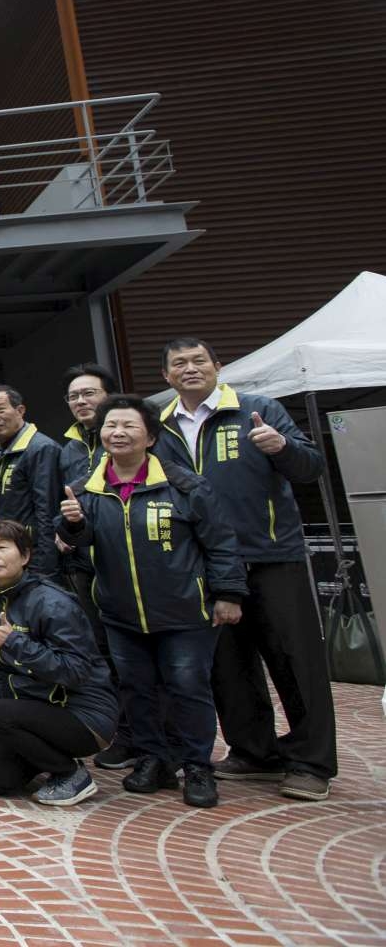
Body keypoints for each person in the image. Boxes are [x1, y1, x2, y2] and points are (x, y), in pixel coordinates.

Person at [154, 336, 334, 801]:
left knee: (294, 661)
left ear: (218, 364)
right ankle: (254, 751)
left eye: (199, 360)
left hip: (272, 557)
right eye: (180, 364)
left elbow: (310, 466)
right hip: (208, 566)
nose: (190, 369)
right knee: (228, 666)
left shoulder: (258, 409)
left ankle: (311, 762)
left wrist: (280, 447)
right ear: (167, 376)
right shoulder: (162, 427)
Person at [57, 394, 246, 808]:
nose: (118, 433)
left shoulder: (184, 485)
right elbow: (79, 542)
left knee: (187, 688)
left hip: (185, 612)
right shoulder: (90, 488)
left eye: (128, 426)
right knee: (137, 690)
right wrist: (70, 526)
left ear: (151, 436)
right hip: (121, 614)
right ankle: (152, 759)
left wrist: (228, 594)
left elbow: (221, 543)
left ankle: (197, 766)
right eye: (110, 426)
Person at [0, 518, 118, 807]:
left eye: (3, 547)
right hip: (37, 710)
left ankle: (70, 772)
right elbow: (4, 670)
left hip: (83, 716)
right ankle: (48, 757)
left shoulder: (51, 602)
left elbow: (75, 671)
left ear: (25, 556)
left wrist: (16, 642)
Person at [55, 363, 130, 768]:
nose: (82, 402)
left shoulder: (129, 438)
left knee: (132, 653)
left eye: (89, 393)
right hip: (84, 563)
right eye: (74, 396)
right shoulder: (68, 447)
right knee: (100, 649)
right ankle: (117, 730)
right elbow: (62, 503)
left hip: (130, 562)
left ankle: (149, 738)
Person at [0, 384, 62, 576]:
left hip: (34, 559)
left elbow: (47, 510)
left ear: (20, 410)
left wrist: (45, 565)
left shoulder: (40, 448)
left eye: (0, 409)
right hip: (11, 555)